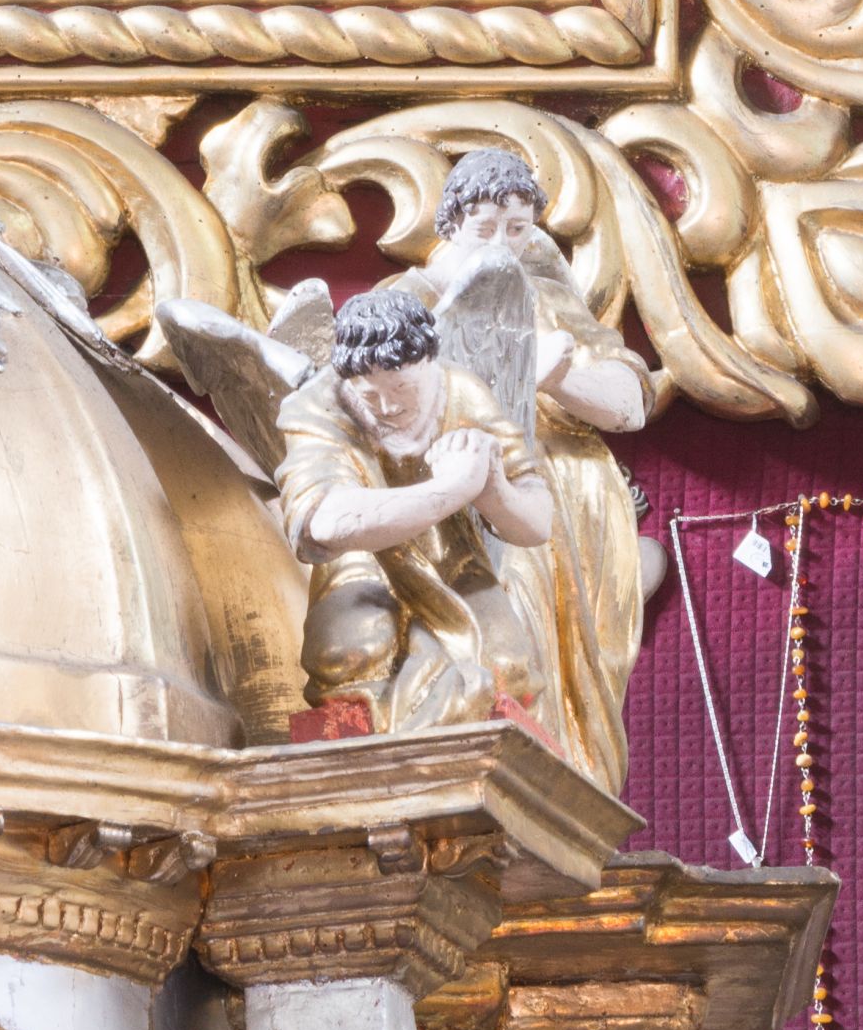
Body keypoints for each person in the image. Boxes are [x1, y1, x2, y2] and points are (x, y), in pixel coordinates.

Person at [423, 145, 652, 791]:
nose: (503, 244)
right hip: (461, 495)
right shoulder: (412, 298)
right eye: (485, 229)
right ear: (452, 226)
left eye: (518, 229)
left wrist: (555, 377)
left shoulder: (549, 298)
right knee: (503, 618)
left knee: (554, 636)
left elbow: (630, 403)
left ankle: (553, 775)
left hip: (558, 500)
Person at [275, 282, 561, 750]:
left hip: (452, 560)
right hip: (361, 562)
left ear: (430, 362)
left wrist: (493, 487)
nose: (388, 407)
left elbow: (537, 524)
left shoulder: (463, 393)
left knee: (506, 667)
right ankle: (372, 754)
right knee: (349, 652)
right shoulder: (318, 405)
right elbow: (325, 523)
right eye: (370, 397)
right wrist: (452, 488)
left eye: (403, 389)